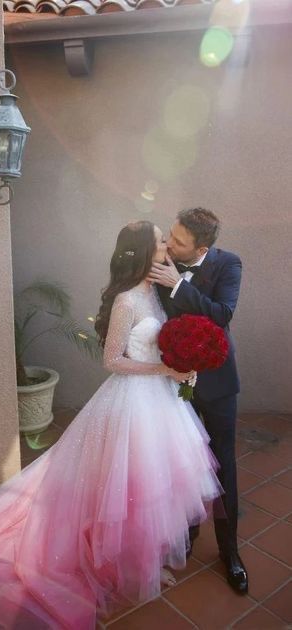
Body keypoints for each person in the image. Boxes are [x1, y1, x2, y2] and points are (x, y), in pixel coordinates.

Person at [0, 221, 222, 630]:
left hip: (160, 403)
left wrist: (180, 364)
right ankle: (110, 566)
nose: (166, 245)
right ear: (141, 251)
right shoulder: (127, 301)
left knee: (149, 489)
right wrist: (164, 369)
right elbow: (111, 361)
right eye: (159, 241)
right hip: (132, 402)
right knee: (118, 491)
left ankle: (143, 564)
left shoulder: (157, 292)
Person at [150, 207, 247, 594]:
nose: (169, 245)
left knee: (223, 464)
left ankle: (230, 551)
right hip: (174, 382)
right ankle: (185, 536)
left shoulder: (229, 264)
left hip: (218, 381)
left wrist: (178, 286)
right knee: (181, 463)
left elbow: (222, 314)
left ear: (202, 247)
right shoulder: (161, 258)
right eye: (170, 235)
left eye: (178, 242)